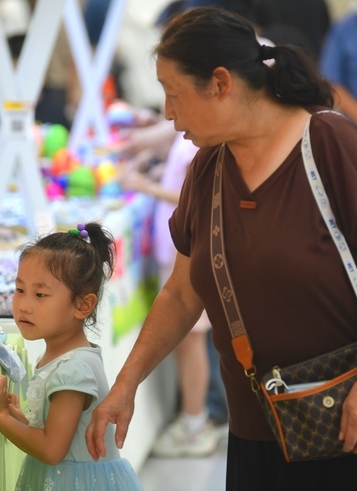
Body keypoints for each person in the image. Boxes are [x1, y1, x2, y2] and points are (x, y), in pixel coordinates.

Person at [86, 7, 357, 490]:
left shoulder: (329, 143)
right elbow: (182, 294)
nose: (167, 112)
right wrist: (125, 385)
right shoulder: (206, 171)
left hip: (355, 419)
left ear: (220, 83)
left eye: (174, 93)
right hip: (258, 431)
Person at [0, 223, 143, 490]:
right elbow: (62, 438)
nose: (24, 305)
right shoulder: (66, 357)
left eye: (40, 294)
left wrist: (1, 416)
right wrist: (17, 417)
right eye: (19, 289)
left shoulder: (72, 369)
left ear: (83, 305)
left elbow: (52, 450)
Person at [120, 131, 222, 458]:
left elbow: (194, 197)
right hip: (176, 251)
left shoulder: (201, 142)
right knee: (188, 343)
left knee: (191, 342)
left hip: (184, 254)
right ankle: (195, 419)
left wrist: (144, 186)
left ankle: (195, 424)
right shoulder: (189, 135)